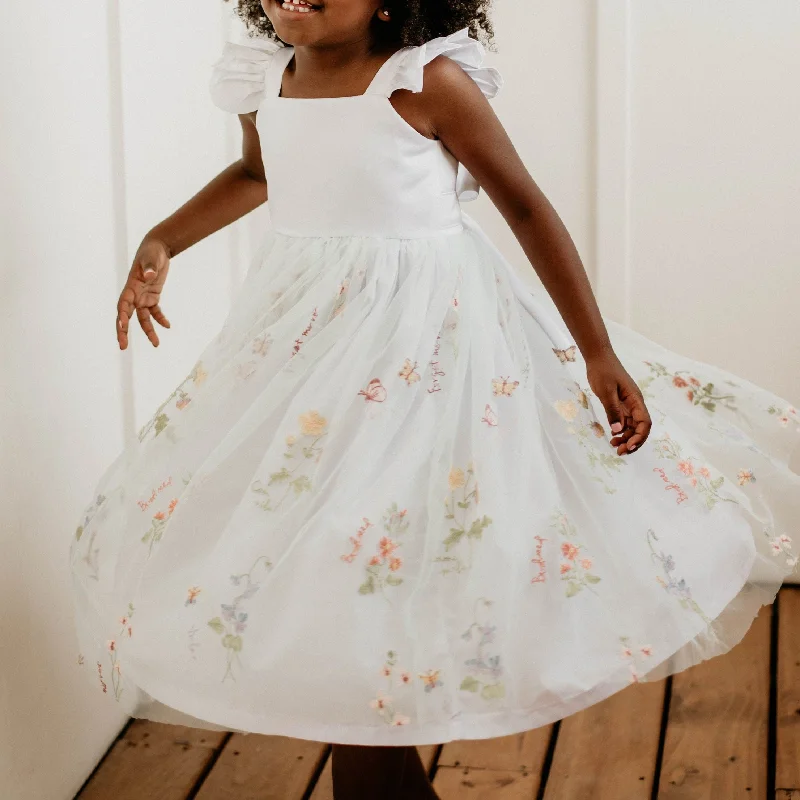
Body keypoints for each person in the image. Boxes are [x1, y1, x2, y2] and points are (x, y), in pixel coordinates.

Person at [69, 1, 799, 798]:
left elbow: (524, 205)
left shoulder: (427, 81)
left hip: (429, 350)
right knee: (320, 557)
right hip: (307, 351)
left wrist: (595, 350)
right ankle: (377, 763)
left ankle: (380, 763)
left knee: (392, 546)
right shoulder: (264, 81)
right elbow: (258, 173)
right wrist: (164, 239)